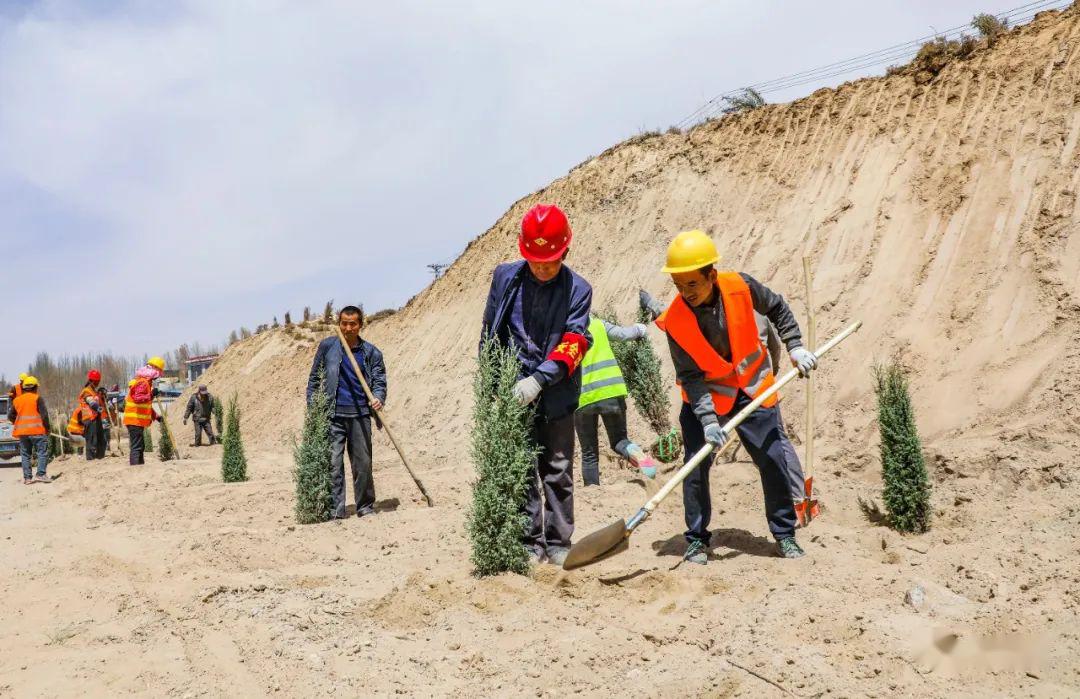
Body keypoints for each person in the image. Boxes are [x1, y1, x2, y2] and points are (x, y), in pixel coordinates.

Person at [653, 230, 818, 564]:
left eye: (692, 285)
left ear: (711, 275)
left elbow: (778, 308)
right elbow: (690, 377)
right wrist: (709, 420)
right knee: (695, 467)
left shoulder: (741, 286)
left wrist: (795, 346)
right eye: (679, 286)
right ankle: (697, 539)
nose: (685, 294)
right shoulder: (675, 320)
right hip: (707, 397)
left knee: (773, 460)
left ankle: (784, 535)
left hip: (752, 387)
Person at [480, 203, 592, 567]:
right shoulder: (505, 278)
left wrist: (538, 381)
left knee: (557, 468)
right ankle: (531, 542)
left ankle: (559, 541)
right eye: (535, 261)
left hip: (557, 393)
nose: (542, 268)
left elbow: (574, 343)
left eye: (550, 261)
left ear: (566, 252)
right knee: (523, 468)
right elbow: (489, 332)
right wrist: (493, 383)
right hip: (513, 392)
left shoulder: (578, 289)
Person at [306, 306, 387, 519]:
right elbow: (314, 379)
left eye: (353, 324)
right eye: (344, 323)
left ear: (360, 325)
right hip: (332, 415)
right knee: (333, 463)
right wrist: (313, 407)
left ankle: (365, 506)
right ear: (339, 323)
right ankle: (336, 510)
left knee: (362, 465)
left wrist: (378, 398)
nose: (348, 328)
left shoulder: (371, 353)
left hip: (360, 415)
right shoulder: (328, 347)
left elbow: (379, 381)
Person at [575, 315, 660, 485]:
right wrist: (640, 329)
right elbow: (623, 334)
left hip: (583, 398)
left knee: (589, 453)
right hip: (612, 390)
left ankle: (593, 492)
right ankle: (639, 455)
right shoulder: (598, 324)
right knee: (619, 440)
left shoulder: (561, 332)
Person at [8, 376, 52, 484]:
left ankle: (27, 478)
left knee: (25, 455)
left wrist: (18, 423)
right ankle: (40, 474)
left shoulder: (17, 400)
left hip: (23, 433)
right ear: (35, 387)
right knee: (42, 453)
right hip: (38, 432)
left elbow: (10, 416)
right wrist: (48, 428)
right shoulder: (37, 398)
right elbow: (44, 416)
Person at [124, 357, 165, 465]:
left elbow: (145, 406)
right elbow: (138, 399)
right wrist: (151, 394)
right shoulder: (143, 382)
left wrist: (156, 417)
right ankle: (135, 468)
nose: (158, 378)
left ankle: (140, 466)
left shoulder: (145, 383)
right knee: (137, 447)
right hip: (134, 421)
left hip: (137, 421)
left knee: (140, 446)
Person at [77, 370, 107, 460]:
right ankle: (91, 458)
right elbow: (92, 403)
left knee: (102, 440)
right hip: (89, 419)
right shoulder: (86, 391)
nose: (98, 383)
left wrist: (102, 395)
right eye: (97, 382)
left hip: (96, 417)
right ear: (92, 381)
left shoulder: (94, 391)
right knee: (92, 441)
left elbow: (99, 401)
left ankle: (100, 457)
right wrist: (98, 408)